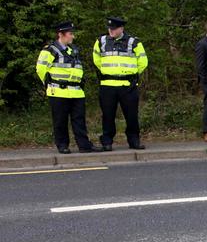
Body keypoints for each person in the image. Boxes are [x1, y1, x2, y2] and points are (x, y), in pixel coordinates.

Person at [35, 22, 98, 154]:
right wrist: (49, 85)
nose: (73, 37)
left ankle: (84, 145)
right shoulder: (50, 50)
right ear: (60, 34)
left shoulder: (73, 50)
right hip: (58, 91)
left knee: (79, 121)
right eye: (70, 34)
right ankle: (62, 145)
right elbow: (40, 69)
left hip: (76, 92)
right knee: (60, 121)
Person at [92, 16, 148, 151]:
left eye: (114, 29)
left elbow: (143, 62)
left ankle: (134, 140)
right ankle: (107, 141)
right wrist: (108, 72)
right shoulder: (101, 41)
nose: (111, 31)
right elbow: (96, 60)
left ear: (121, 28)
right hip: (108, 84)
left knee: (131, 115)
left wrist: (131, 74)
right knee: (108, 115)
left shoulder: (134, 42)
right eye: (109, 28)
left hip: (127, 85)